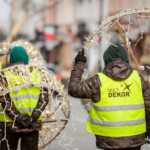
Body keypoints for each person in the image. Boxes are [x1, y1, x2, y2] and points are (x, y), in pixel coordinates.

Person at [68, 43, 150, 150]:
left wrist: (79, 65)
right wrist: (148, 129)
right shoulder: (138, 79)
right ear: (125, 59)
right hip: (134, 140)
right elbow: (149, 107)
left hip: (109, 141)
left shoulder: (98, 81)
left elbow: (74, 89)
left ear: (106, 60)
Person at [0, 46, 49, 150]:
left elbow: (4, 100)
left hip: (10, 125)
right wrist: (32, 118)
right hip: (32, 125)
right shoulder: (37, 74)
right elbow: (44, 99)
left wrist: (18, 118)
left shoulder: (4, 75)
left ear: (11, 58)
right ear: (26, 58)